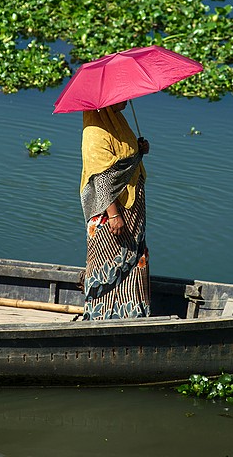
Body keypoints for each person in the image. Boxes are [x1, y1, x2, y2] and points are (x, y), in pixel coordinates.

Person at [80, 100, 150, 321]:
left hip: (132, 211)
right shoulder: (94, 132)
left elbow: (124, 159)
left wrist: (139, 151)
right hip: (109, 213)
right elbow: (102, 178)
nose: (126, 99)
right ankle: (101, 317)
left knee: (134, 260)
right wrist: (114, 215)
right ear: (103, 104)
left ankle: (132, 314)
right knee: (107, 264)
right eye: (119, 97)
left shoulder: (118, 121)